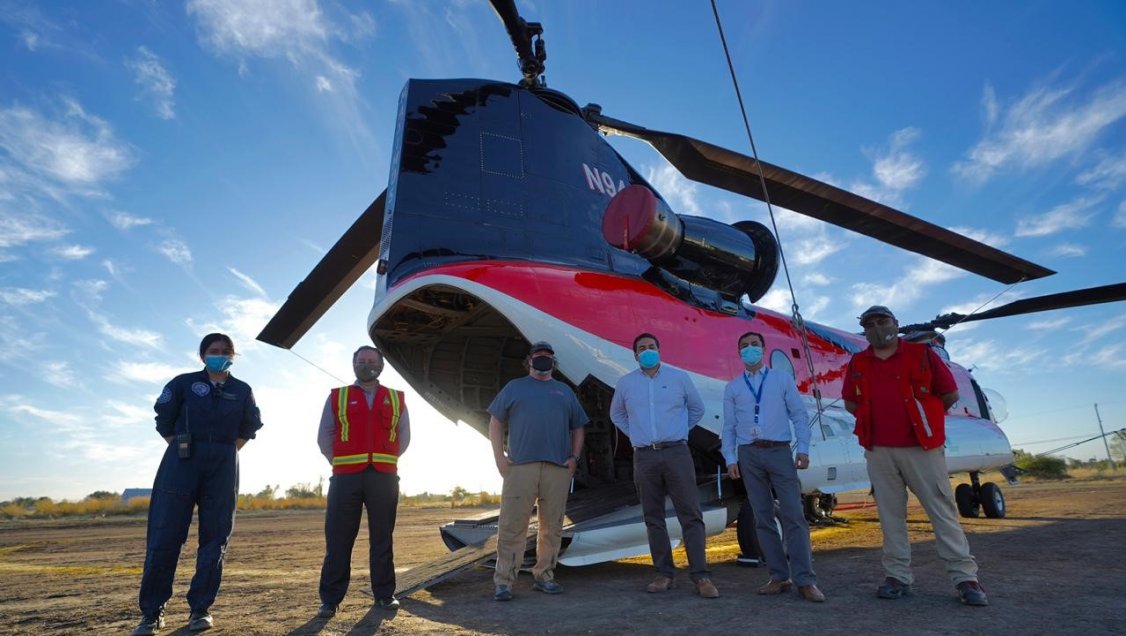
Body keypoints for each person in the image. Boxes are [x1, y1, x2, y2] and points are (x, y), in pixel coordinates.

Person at [844, 305, 988, 607]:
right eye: (869, 324)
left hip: (922, 448)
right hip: (878, 449)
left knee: (941, 510)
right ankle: (897, 575)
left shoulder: (921, 355)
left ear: (895, 324)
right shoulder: (859, 361)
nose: (876, 327)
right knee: (890, 515)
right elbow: (851, 402)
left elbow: (949, 394)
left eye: (882, 321)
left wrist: (927, 422)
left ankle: (965, 577)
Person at [133, 333, 263, 635]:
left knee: (215, 540)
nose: (220, 355)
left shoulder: (242, 390)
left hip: (223, 466)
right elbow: (163, 418)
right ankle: (152, 612)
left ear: (234, 355)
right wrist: (183, 447)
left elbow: (250, 426)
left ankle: (201, 608)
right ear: (202, 355)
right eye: (214, 351)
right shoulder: (182, 383)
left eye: (226, 351)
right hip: (180, 463)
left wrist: (225, 451)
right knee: (164, 538)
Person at [609, 333, 719, 598]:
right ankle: (664, 574)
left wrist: (678, 430)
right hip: (644, 457)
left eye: (651, 347)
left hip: (677, 453)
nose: (647, 351)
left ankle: (701, 576)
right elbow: (617, 415)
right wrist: (637, 435)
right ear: (635, 355)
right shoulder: (626, 384)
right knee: (653, 517)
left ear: (659, 350)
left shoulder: (678, 378)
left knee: (690, 515)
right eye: (642, 349)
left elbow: (697, 410)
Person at [722, 331, 825, 602]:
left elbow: (799, 415)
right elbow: (729, 427)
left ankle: (806, 580)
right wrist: (730, 459)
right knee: (762, 517)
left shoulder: (781, 379)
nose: (749, 349)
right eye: (744, 346)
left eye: (754, 345)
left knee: (794, 515)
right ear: (739, 353)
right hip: (748, 454)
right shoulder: (733, 387)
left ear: (764, 349)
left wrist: (802, 448)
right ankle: (779, 577)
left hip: (779, 451)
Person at [488, 341, 588, 601]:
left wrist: (574, 457)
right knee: (512, 525)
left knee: (552, 526)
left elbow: (578, 426)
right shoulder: (514, 387)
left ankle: (544, 576)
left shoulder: (564, 392)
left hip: (557, 468)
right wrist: (499, 457)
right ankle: (504, 582)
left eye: (548, 356)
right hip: (520, 467)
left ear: (553, 362)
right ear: (529, 360)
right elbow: (496, 421)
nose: (543, 359)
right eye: (538, 355)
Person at [316, 346, 410, 618]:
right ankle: (330, 600)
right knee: (338, 539)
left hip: (384, 477)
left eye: (371, 361)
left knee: (382, 538)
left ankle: (384, 594)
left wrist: (386, 458)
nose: (366, 364)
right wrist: (341, 461)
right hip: (345, 477)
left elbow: (403, 437)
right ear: (353, 365)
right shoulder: (338, 397)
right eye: (361, 361)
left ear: (381, 365)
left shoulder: (396, 398)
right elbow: (325, 434)